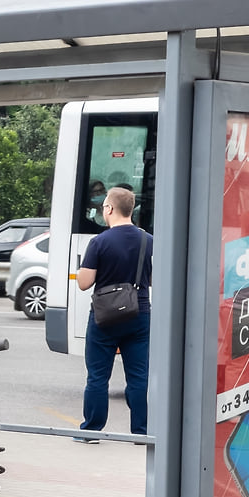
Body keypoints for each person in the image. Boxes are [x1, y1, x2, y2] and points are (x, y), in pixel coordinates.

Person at [76, 185, 152, 441]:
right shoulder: (148, 240)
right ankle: (141, 432)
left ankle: (92, 430)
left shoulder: (99, 241)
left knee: (98, 375)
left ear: (109, 209)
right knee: (139, 376)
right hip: (139, 313)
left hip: (104, 317)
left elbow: (84, 282)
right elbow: (154, 278)